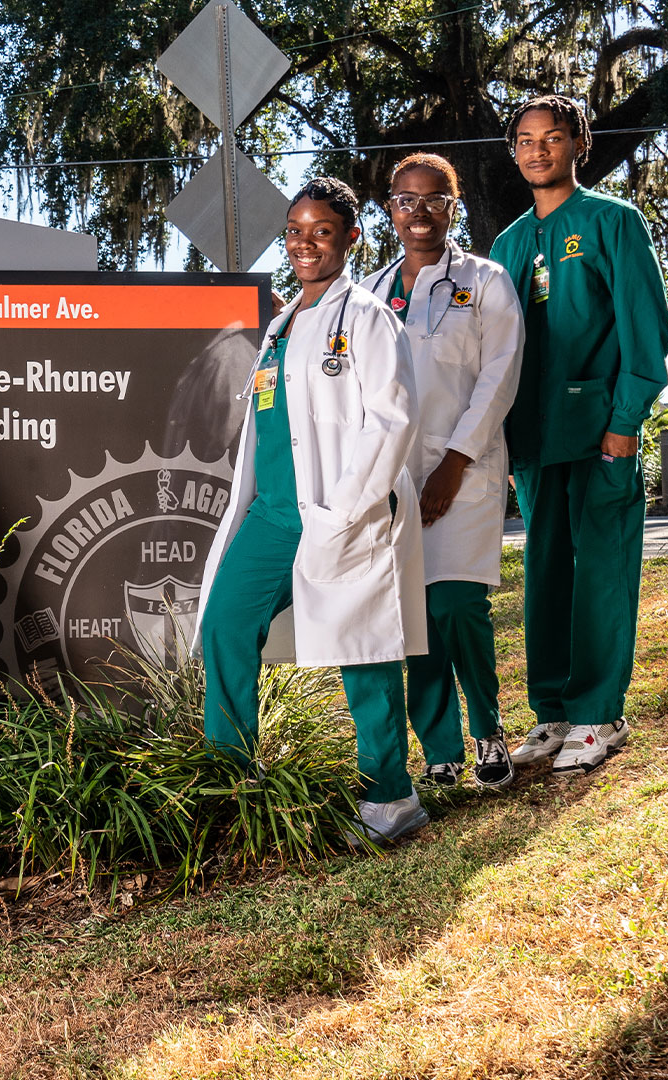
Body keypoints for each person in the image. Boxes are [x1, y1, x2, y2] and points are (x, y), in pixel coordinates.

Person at [197, 178, 430, 847]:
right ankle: (230, 784)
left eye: (321, 231)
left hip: (342, 509)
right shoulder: (279, 325)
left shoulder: (366, 317)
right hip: (272, 514)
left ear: (351, 238)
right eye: (295, 230)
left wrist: (345, 511)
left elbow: (392, 419)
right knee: (225, 626)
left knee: (367, 652)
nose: (304, 243)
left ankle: (391, 799)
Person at [490, 95, 668, 774]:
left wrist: (625, 424)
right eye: (526, 140)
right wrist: (505, 442)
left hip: (601, 434)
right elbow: (496, 354)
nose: (538, 150)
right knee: (545, 576)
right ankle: (555, 711)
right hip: (534, 441)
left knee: (600, 573)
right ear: (514, 152)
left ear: (577, 144)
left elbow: (645, 333)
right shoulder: (507, 245)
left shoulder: (613, 222)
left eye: (553, 138)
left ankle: (600, 714)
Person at [361, 153, 525, 790]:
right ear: (389, 210)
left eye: (434, 198)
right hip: (391, 477)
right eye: (406, 200)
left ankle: (487, 729)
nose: (419, 211)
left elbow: (499, 374)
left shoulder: (485, 282)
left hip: (465, 468)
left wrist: (454, 463)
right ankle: (440, 747)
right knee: (412, 616)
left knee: (457, 604)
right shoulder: (370, 293)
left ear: (453, 205)